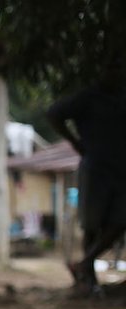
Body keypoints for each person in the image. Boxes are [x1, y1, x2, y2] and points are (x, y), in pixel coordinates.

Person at [48, 58, 126, 296]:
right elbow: (54, 114)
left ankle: (84, 263)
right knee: (92, 224)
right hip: (96, 168)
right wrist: (76, 143)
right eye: (110, 67)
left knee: (120, 221)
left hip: (122, 170)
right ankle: (87, 278)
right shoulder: (88, 98)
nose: (114, 73)